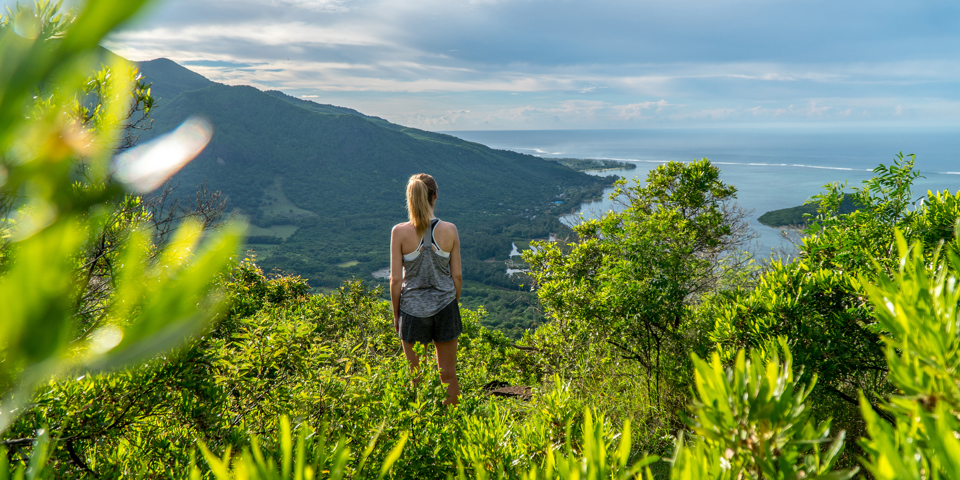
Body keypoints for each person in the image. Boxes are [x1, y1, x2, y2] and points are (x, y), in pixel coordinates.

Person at [390, 173, 463, 405]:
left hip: (412, 310)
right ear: (435, 195)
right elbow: (457, 276)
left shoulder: (399, 232)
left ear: (410, 199)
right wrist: (452, 303)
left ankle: (420, 428)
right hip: (445, 307)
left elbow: (395, 280)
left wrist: (396, 314)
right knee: (448, 374)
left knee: (416, 377)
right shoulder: (450, 230)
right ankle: (452, 423)